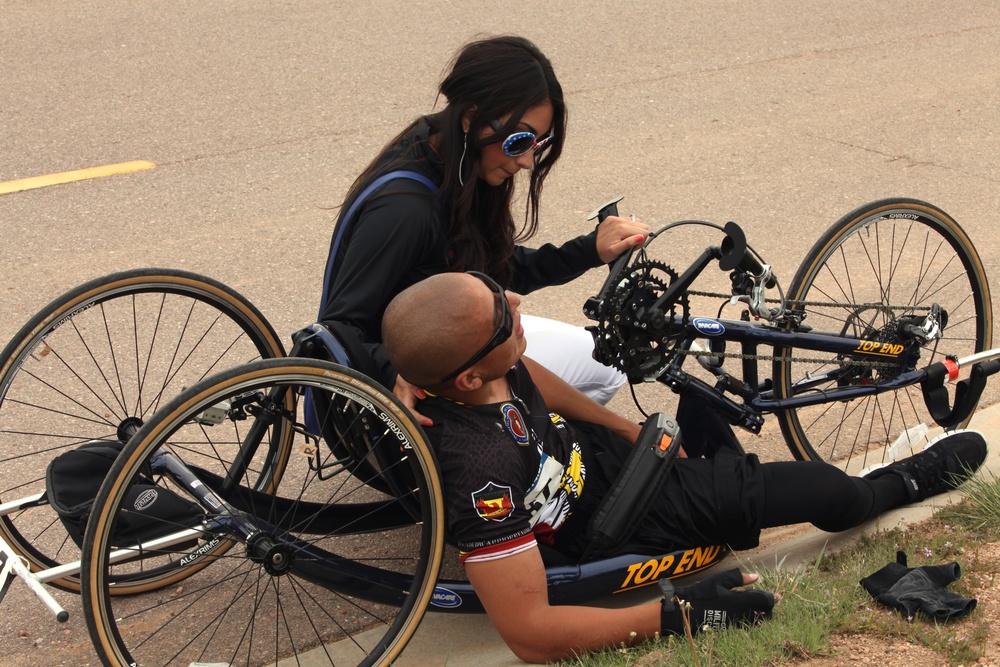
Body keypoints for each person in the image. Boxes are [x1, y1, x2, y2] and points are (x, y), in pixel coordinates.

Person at [380, 271, 989, 664]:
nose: (516, 303)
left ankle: (715, 461)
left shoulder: (478, 367)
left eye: (497, 292)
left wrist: (622, 426)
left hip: (611, 461)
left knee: (699, 401)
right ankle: (904, 480)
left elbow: (524, 375)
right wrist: (682, 614)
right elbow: (529, 632)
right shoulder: (479, 473)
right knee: (832, 493)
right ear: (467, 377)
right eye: (502, 316)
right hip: (627, 516)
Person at [318, 35, 648, 423]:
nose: (527, 161)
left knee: (605, 366)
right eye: (519, 140)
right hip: (388, 391)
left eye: (539, 142)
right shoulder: (406, 210)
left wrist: (590, 249)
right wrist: (394, 370)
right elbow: (337, 327)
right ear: (471, 119)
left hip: (450, 345)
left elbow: (500, 267)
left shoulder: (448, 154)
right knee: (588, 387)